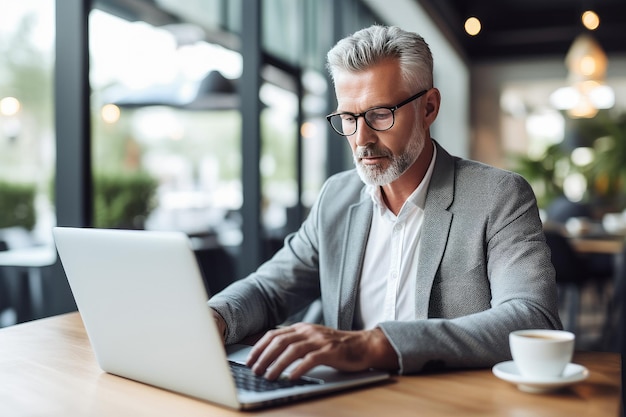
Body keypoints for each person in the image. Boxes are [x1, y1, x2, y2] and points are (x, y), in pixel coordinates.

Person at [208, 24, 561, 381]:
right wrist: (214, 318)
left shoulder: (498, 196)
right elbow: (269, 290)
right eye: (348, 117)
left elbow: (531, 316)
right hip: (345, 402)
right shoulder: (336, 196)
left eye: (380, 114)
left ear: (429, 107)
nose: (362, 139)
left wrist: (373, 345)